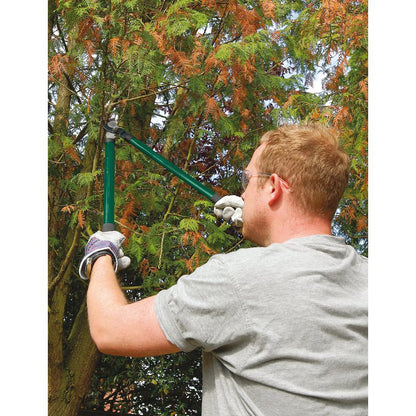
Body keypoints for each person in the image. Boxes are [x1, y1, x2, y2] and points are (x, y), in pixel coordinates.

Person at [80, 123, 368, 415]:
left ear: (273, 188)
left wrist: (100, 254)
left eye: (247, 180)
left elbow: (110, 329)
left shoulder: (237, 280)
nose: (243, 194)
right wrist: (262, 222)